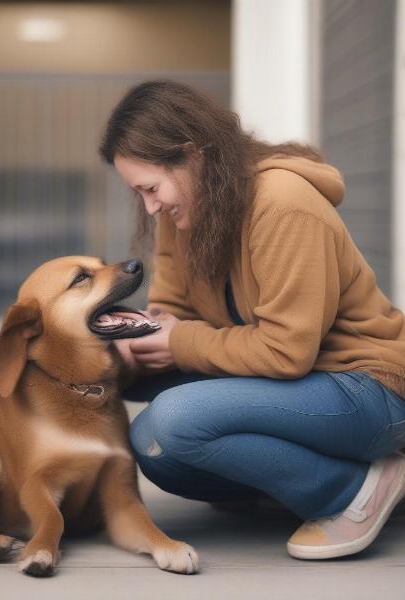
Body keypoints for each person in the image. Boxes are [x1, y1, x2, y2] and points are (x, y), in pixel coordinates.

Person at [98, 79, 405, 560]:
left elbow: (287, 352)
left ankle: (353, 487)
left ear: (193, 155)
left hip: (364, 386)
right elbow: (173, 311)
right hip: (291, 381)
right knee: (153, 442)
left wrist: (180, 343)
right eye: (139, 193)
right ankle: (292, 478)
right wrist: (137, 341)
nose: (150, 205)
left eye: (152, 188)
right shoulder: (186, 212)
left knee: (174, 423)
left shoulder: (284, 206)